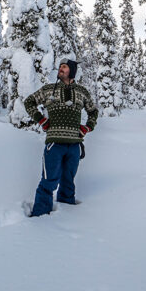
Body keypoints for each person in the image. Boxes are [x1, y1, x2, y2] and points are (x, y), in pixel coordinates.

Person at [23, 58, 98, 217]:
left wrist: (87, 127)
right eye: (60, 67)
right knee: (49, 181)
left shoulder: (81, 92)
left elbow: (93, 111)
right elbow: (29, 102)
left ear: (72, 71)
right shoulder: (49, 89)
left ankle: (67, 216)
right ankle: (40, 216)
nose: (61, 69)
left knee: (68, 182)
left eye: (64, 67)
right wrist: (41, 120)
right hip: (54, 145)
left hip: (74, 146)